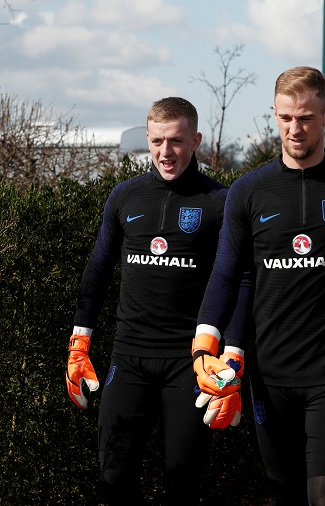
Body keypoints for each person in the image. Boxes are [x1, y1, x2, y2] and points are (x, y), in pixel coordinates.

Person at [193, 66, 325, 506]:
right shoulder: (248, 191)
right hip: (270, 376)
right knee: (285, 494)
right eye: (286, 117)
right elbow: (227, 275)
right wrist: (204, 345)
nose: (295, 128)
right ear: (274, 114)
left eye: (307, 117)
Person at [65, 97, 245, 504]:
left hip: (190, 364)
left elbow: (236, 281)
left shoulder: (220, 201)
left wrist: (232, 360)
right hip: (128, 359)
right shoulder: (125, 196)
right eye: (158, 141)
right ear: (147, 139)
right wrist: (79, 343)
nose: (166, 152)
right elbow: (97, 270)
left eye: (177, 141)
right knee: (113, 478)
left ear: (196, 140)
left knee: (182, 482)